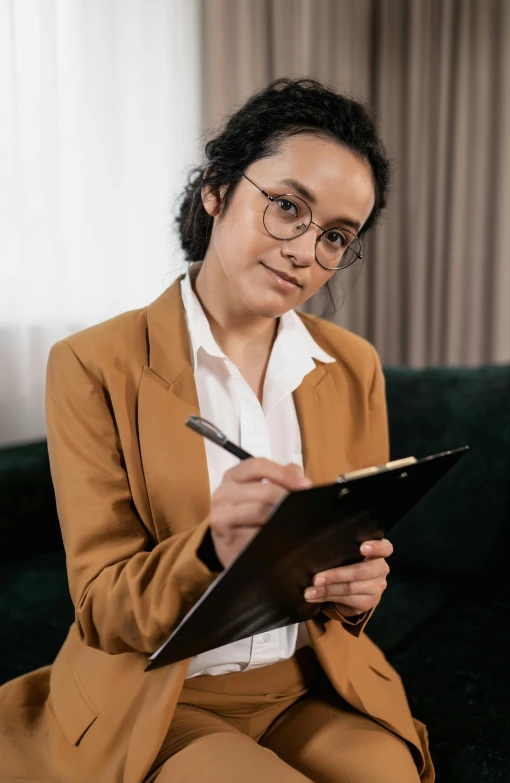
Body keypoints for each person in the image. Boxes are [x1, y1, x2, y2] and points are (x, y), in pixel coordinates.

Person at [0, 78, 434, 783]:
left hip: (306, 682)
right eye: (287, 207)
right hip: (158, 692)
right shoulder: (92, 363)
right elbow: (102, 607)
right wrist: (211, 548)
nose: (304, 251)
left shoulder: (352, 367)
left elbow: (348, 552)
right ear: (217, 189)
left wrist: (361, 591)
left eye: (334, 237)